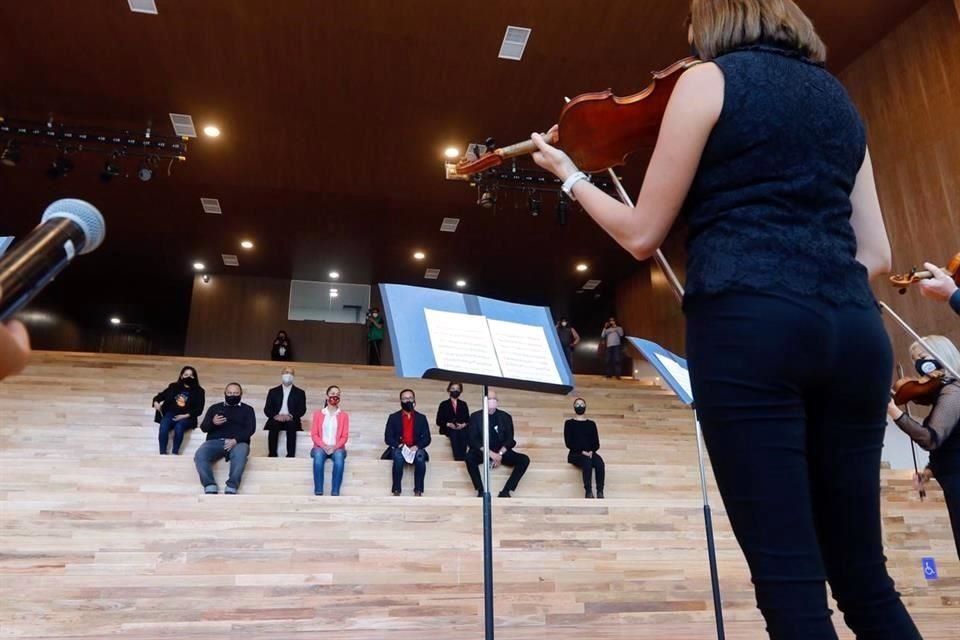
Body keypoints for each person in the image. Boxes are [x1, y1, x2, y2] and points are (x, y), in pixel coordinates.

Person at [529, 1, 920, 637]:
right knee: (865, 581)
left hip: (750, 328)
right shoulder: (839, 101)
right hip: (853, 334)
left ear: (716, 21)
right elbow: (876, 255)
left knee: (792, 589)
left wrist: (572, 177)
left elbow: (640, 233)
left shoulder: (707, 81)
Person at [887, 335, 960, 560]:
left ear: (942, 356)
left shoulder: (954, 390)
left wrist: (892, 410)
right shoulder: (946, 392)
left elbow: (931, 439)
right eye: (914, 359)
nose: (919, 365)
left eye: (923, 357)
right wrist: (929, 471)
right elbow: (952, 443)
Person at [465, 390, 529, 498]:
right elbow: (472, 440)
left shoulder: (505, 417)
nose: (492, 401)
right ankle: (481, 490)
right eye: (489, 399)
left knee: (524, 459)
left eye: (494, 399)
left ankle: (506, 490)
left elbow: (510, 440)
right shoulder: (475, 416)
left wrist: (499, 453)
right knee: (469, 458)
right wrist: (490, 453)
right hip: (483, 451)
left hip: (501, 451)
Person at [194, 383, 256, 494]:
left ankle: (232, 486)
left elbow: (250, 429)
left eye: (236, 393)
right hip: (215, 441)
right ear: (225, 394)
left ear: (241, 394)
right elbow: (204, 428)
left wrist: (235, 440)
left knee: (240, 455)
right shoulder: (214, 408)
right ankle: (209, 484)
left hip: (238, 442)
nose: (232, 395)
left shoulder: (248, 409)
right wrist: (213, 422)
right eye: (230, 393)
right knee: (200, 454)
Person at [383, 389, 431, 496]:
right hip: (400, 448)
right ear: (400, 401)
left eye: (410, 398)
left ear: (414, 400)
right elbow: (388, 438)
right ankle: (396, 490)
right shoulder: (393, 417)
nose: (407, 401)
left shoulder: (422, 418)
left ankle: (418, 490)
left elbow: (427, 438)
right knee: (398, 455)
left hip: (415, 449)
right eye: (404, 399)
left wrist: (417, 446)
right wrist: (400, 445)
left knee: (420, 456)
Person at [152, 366, 206, 455]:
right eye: (186, 375)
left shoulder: (199, 391)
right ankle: (162, 453)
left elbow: (199, 409)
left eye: (191, 375)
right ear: (181, 376)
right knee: (164, 425)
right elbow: (160, 396)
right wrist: (156, 402)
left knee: (179, 426)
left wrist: (185, 416)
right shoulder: (173, 386)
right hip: (171, 413)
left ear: (195, 377)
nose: (188, 377)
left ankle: (175, 452)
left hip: (188, 416)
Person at [311, 385, 349, 496]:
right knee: (318, 457)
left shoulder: (343, 415)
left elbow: (344, 436)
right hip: (320, 447)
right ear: (327, 396)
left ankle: (335, 491)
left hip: (337, 448)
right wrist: (324, 446)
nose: (335, 396)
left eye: (338, 394)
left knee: (339, 459)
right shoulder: (318, 414)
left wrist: (334, 447)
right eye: (332, 394)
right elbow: (314, 434)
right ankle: (318, 491)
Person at [564, 398, 604, 499]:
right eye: (577, 404)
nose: (580, 406)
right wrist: (582, 451)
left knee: (599, 463)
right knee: (587, 462)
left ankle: (600, 491)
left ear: (585, 407)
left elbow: (596, 443)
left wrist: (591, 451)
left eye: (582, 404)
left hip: (590, 453)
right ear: (574, 407)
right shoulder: (569, 423)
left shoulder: (591, 424)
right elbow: (568, 443)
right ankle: (588, 492)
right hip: (575, 454)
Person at [263, 366, 307, 458]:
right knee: (273, 425)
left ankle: (290, 455)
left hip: (291, 419)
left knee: (291, 426)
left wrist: (290, 416)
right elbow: (267, 409)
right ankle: (272, 454)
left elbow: (302, 410)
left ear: (293, 376)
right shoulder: (273, 391)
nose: (288, 375)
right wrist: (276, 416)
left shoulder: (300, 392)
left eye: (291, 373)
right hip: (276, 419)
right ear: (282, 375)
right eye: (286, 372)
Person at [436, 381, 470, 461]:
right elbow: (438, 421)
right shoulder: (443, 404)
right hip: (448, 428)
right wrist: (448, 424)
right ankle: (459, 458)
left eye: (457, 389)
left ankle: (464, 456)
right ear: (449, 390)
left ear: (460, 391)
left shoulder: (463, 404)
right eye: (453, 389)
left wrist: (463, 425)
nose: (455, 391)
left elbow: (468, 419)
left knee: (464, 432)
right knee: (454, 432)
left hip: (461, 428)